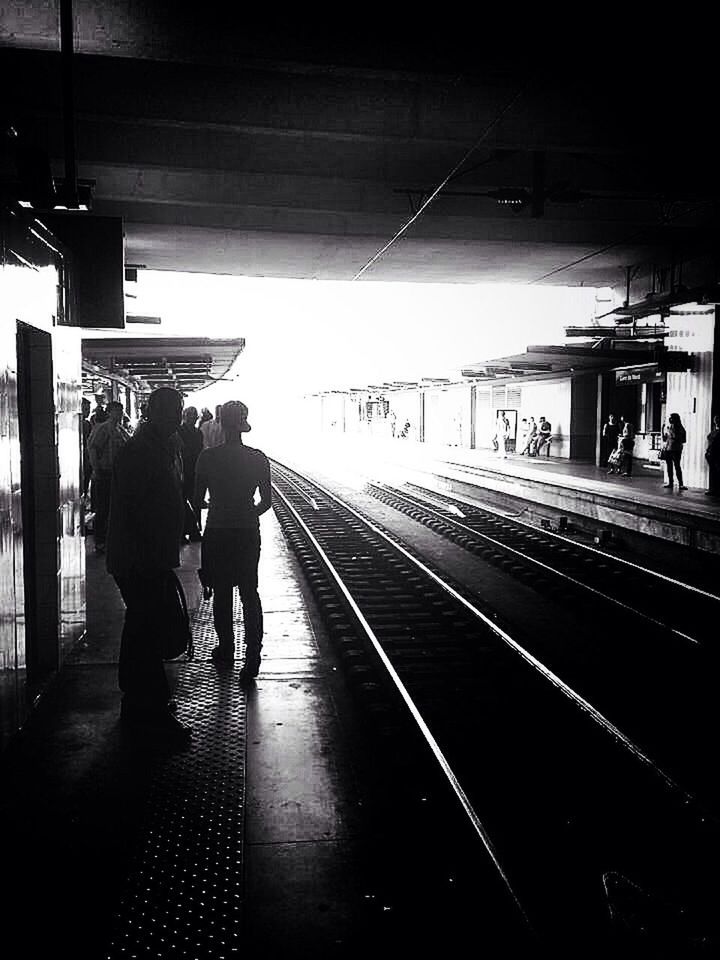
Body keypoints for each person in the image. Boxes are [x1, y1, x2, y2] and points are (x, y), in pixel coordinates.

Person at [106, 387, 191, 744]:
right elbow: (136, 511)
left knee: (141, 627)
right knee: (148, 629)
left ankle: (137, 701)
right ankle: (150, 710)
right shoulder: (141, 452)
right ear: (150, 412)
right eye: (169, 411)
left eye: (178, 410)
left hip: (148, 556)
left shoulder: (161, 448)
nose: (175, 417)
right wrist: (151, 557)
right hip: (140, 559)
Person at [194, 401, 271, 683]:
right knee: (250, 592)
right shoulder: (257, 457)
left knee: (222, 591)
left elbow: (195, 499)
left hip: (217, 530)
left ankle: (226, 647)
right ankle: (253, 656)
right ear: (244, 422)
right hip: (247, 531)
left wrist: (216, 507)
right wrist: (246, 512)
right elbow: (267, 502)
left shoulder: (207, 458)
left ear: (221, 423)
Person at [87, 400, 130, 553]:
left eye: (121, 410)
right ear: (109, 412)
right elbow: (93, 448)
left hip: (117, 474)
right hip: (104, 473)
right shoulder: (104, 429)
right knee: (103, 508)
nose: (119, 414)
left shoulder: (120, 429)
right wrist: (96, 469)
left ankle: (110, 539)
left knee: (114, 508)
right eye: (116, 411)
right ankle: (100, 541)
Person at [178, 405, 204, 539]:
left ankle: (194, 529)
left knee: (194, 501)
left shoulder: (196, 432)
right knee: (183, 502)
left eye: (194, 416)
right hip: (183, 470)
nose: (192, 418)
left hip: (193, 470)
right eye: (190, 416)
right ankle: (186, 531)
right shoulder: (180, 432)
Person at [662, 412, 687, 491]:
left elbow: (681, 439)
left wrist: (671, 431)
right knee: (669, 467)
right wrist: (662, 430)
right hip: (668, 449)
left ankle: (681, 484)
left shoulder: (680, 428)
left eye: (671, 418)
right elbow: (664, 439)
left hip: (676, 450)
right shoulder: (670, 427)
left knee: (677, 466)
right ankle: (670, 482)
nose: (670, 419)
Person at [80, 397, 92, 498]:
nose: (88, 412)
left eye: (88, 409)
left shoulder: (87, 424)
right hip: (84, 458)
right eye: (86, 409)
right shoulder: (85, 424)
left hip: (86, 457)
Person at [706, 414, 720, 496]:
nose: (716, 421)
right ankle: (713, 489)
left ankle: (716, 490)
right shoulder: (715, 430)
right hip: (711, 453)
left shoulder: (716, 431)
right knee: (713, 472)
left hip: (716, 454)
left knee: (716, 472)